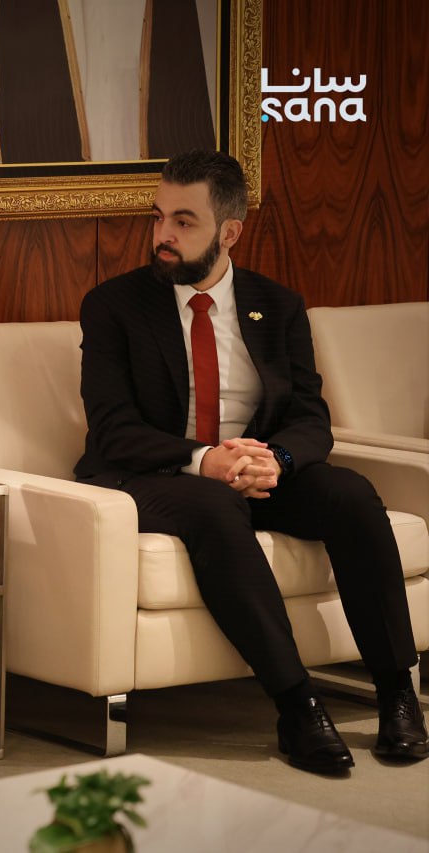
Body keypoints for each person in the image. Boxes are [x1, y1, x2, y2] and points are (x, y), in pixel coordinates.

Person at [74, 150, 427, 775]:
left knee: (351, 495)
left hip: (255, 470)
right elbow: (113, 428)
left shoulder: (277, 305)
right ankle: (298, 706)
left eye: (184, 221)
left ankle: (398, 693)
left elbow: (310, 417)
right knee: (213, 505)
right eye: (159, 217)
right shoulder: (114, 305)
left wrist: (278, 461)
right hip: (155, 476)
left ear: (230, 231)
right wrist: (203, 459)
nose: (163, 235)